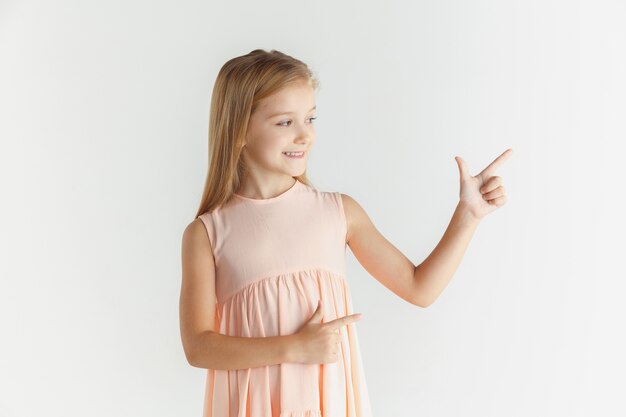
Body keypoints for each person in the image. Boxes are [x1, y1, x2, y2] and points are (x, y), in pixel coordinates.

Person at [179, 48, 512, 417]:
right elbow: (198, 347)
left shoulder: (338, 213)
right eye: (285, 123)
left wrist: (467, 215)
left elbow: (420, 288)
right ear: (239, 129)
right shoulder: (207, 233)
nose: (305, 135)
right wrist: (294, 347)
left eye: (310, 118)